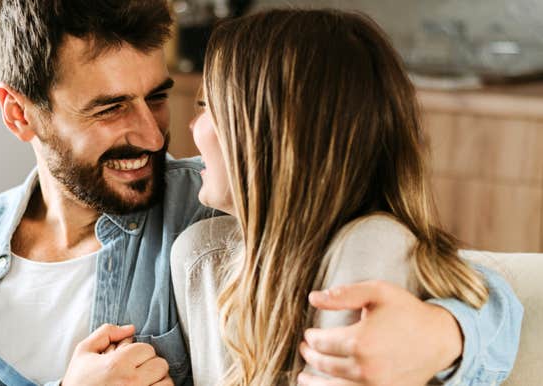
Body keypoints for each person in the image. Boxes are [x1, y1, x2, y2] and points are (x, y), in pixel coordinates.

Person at [0, 2, 521, 385]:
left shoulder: (218, 206)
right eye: (109, 108)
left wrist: (446, 336)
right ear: (20, 115)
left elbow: (475, 286)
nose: (152, 135)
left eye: (157, 96)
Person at [171, 8, 523, 386]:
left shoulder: (371, 249)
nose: (189, 129)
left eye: (207, 106)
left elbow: (491, 297)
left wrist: (447, 331)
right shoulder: (204, 254)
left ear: (274, 135)